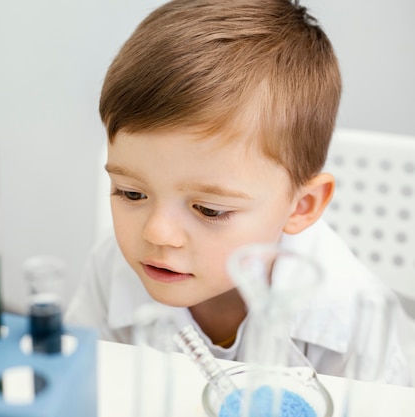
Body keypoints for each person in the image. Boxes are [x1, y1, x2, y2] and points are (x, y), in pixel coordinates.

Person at [65, 0, 413, 385]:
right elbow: (78, 382)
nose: (157, 233)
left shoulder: (354, 322)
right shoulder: (109, 268)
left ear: (301, 206)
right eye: (131, 194)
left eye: (209, 210)